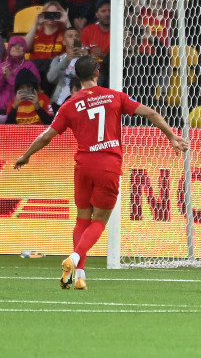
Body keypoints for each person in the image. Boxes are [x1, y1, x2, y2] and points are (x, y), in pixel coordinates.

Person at [14, 56, 190, 290]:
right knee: (99, 220)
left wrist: (26, 155)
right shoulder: (115, 97)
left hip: (84, 165)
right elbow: (151, 114)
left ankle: (79, 276)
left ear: (77, 76)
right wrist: (171, 136)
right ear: (97, 73)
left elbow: (47, 135)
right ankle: (75, 258)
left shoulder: (70, 104)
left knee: (82, 218)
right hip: (107, 164)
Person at [46, 27, 89, 112]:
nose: (74, 38)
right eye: (70, 36)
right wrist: (67, 59)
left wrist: (85, 58)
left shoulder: (86, 59)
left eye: (76, 36)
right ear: (64, 42)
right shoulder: (58, 59)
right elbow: (50, 78)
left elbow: (95, 79)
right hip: (59, 102)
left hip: (81, 102)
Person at [0, 37, 42, 115]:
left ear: (24, 49)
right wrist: (2, 77)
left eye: (20, 45)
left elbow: (33, 86)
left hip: (22, 107)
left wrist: (10, 77)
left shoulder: (30, 65)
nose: (17, 48)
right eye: (13, 45)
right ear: (9, 48)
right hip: (1, 107)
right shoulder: (2, 66)